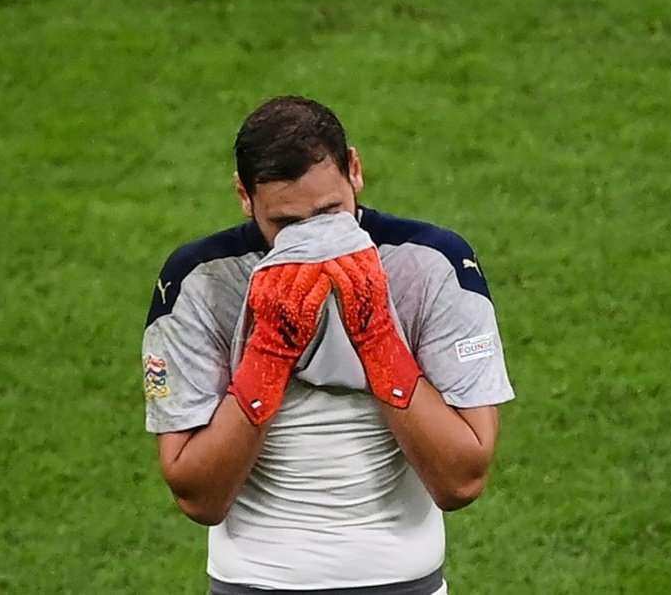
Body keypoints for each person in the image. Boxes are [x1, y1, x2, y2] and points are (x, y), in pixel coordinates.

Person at [141, 95, 515, 594]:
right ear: (244, 197)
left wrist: (378, 337)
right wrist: (269, 353)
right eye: (287, 225)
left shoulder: (431, 266)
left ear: (355, 171)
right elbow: (198, 497)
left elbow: (462, 480)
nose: (314, 242)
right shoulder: (200, 281)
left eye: (330, 212)